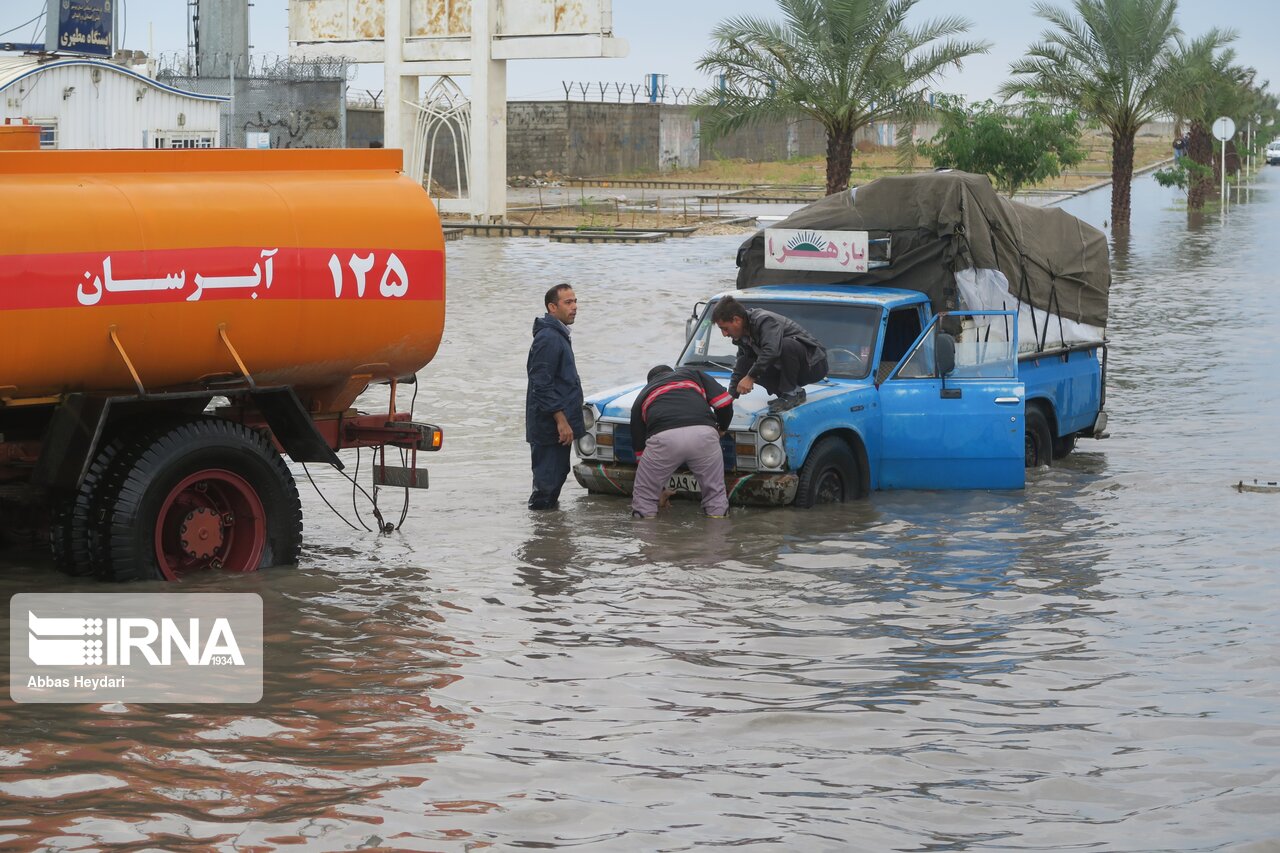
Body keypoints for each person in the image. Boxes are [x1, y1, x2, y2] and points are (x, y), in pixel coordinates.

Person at [630, 364, 734, 519]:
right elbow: (724, 402)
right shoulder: (691, 373)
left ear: (650, 382)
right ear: (672, 372)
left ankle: (647, 538)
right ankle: (717, 538)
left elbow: (640, 451)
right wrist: (722, 427)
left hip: (664, 438)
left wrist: (659, 490)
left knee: (644, 500)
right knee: (716, 496)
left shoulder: (642, 396)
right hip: (704, 434)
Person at [711, 295, 828, 412]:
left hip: (814, 365)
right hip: (788, 370)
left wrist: (750, 377)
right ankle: (791, 393)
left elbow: (772, 351)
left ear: (737, 320)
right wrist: (730, 397)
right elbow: (741, 365)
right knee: (746, 362)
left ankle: (790, 392)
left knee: (785, 345)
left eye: (725, 328)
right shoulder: (742, 336)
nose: (724, 334)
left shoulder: (764, 320)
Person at [525, 283, 584, 510]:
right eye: (568, 302)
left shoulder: (558, 335)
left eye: (575, 301)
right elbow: (541, 384)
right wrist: (561, 421)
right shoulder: (548, 338)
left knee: (556, 478)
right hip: (550, 428)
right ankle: (541, 539)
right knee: (546, 487)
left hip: (558, 427)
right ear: (552, 307)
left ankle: (549, 535)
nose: (575, 307)